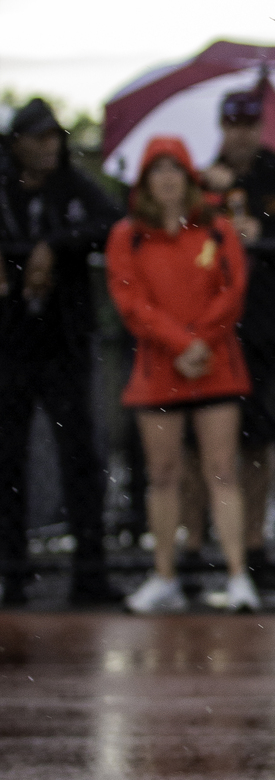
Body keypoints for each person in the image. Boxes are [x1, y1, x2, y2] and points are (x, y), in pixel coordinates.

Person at [105, 138, 259, 614]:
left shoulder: (217, 229)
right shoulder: (127, 234)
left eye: (177, 168)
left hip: (215, 368)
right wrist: (181, 343)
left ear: (190, 177)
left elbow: (233, 291)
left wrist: (200, 341)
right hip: (160, 371)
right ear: (146, 180)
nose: (168, 178)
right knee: (164, 475)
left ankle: (237, 577)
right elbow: (130, 301)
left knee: (222, 471)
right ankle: (165, 574)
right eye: (159, 169)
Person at [0, 97, 121, 607]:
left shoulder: (74, 187)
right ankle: (12, 570)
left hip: (66, 343)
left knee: (81, 457)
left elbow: (112, 225)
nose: (49, 147)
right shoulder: (4, 191)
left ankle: (89, 571)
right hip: (10, 345)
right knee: (8, 458)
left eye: (55, 138)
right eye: (39, 138)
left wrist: (56, 244)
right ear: (18, 144)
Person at [199, 82, 275, 584]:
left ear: (259, 127)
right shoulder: (198, 182)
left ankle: (254, 545)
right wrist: (214, 199)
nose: (241, 134)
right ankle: (205, 544)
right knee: (203, 445)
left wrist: (263, 234)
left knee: (259, 440)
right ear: (222, 127)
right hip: (209, 333)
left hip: (266, 329)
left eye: (249, 124)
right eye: (233, 124)